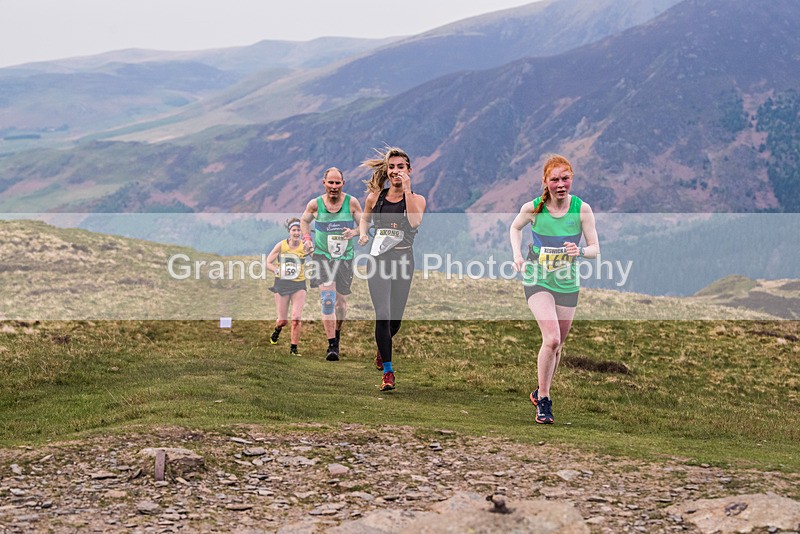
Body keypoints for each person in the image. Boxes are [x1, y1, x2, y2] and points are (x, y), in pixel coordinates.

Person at [509, 154, 599, 424]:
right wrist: (518, 256)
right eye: (555, 179)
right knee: (551, 339)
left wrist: (580, 250)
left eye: (565, 178)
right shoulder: (534, 207)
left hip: (567, 283)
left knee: (558, 345)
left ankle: (539, 390)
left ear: (571, 179)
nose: (561, 184)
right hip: (538, 278)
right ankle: (544, 400)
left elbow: (595, 249)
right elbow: (515, 228)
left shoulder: (582, 209)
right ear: (545, 182)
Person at [358, 147, 426, 391]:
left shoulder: (417, 200)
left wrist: (406, 189)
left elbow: (415, 221)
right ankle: (388, 371)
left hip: (403, 262)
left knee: (395, 322)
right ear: (386, 171)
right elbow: (365, 219)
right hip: (378, 261)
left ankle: (381, 347)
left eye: (401, 167)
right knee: (383, 315)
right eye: (392, 167)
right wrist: (364, 234)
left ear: (409, 170)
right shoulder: (375, 198)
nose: (396, 171)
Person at [300, 167, 363, 361]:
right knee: (328, 299)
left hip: (344, 258)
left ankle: (337, 331)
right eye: (330, 183)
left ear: (343, 184)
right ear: (324, 183)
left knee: (341, 304)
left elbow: (364, 225)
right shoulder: (315, 204)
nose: (334, 187)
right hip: (322, 256)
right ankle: (332, 346)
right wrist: (307, 239)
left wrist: (353, 233)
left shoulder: (351, 203)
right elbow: (304, 220)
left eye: (337, 183)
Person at [266, 218, 307, 355]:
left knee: (296, 318)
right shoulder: (281, 245)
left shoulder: (304, 246)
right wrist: (277, 270)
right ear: (289, 232)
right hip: (282, 285)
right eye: (294, 230)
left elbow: (317, 257)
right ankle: (277, 331)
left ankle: (293, 349)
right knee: (283, 320)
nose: (296, 233)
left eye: (298, 230)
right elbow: (268, 262)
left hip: (299, 284)